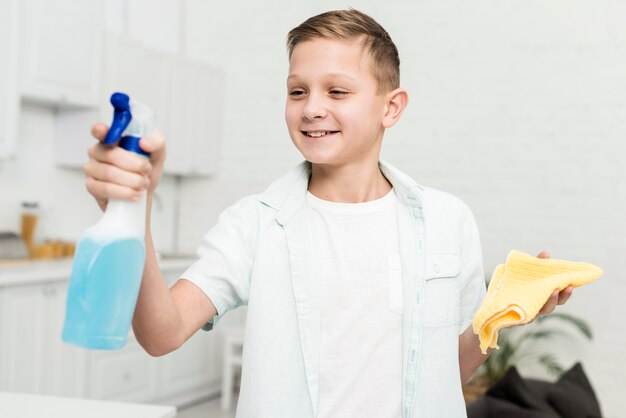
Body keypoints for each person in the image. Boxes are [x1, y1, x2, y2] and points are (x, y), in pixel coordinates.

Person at [84, 9, 573, 418]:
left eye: (337, 92)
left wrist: (502, 315)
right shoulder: (253, 223)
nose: (311, 108)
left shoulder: (449, 220)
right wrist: (135, 211)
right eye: (298, 91)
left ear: (391, 107)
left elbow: (447, 371)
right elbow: (160, 333)